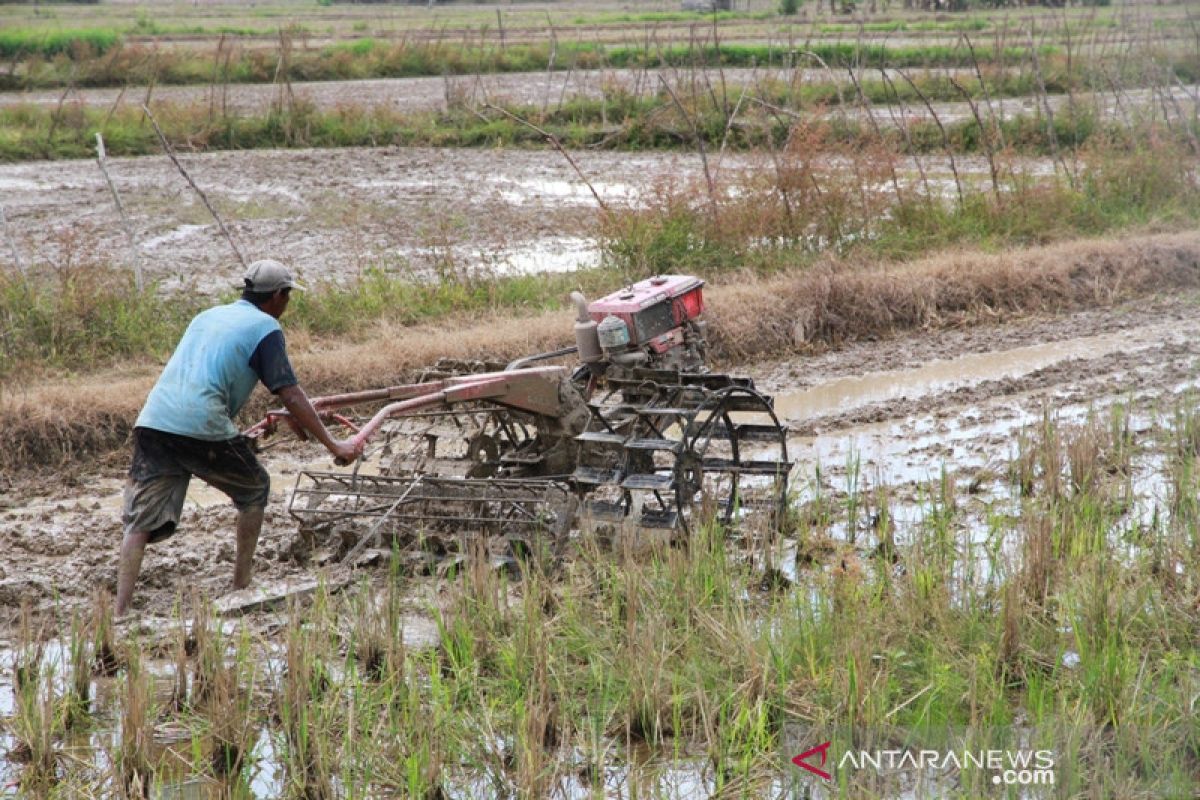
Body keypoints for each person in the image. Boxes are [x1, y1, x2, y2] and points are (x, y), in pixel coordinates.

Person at [115, 259, 362, 615]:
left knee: (139, 519)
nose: (287, 304)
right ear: (278, 295)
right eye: (288, 297)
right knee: (255, 487)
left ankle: (120, 611)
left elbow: (206, 373)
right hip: (200, 422)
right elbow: (289, 393)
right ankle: (241, 586)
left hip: (154, 420)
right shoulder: (265, 327)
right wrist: (335, 444)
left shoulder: (207, 316)